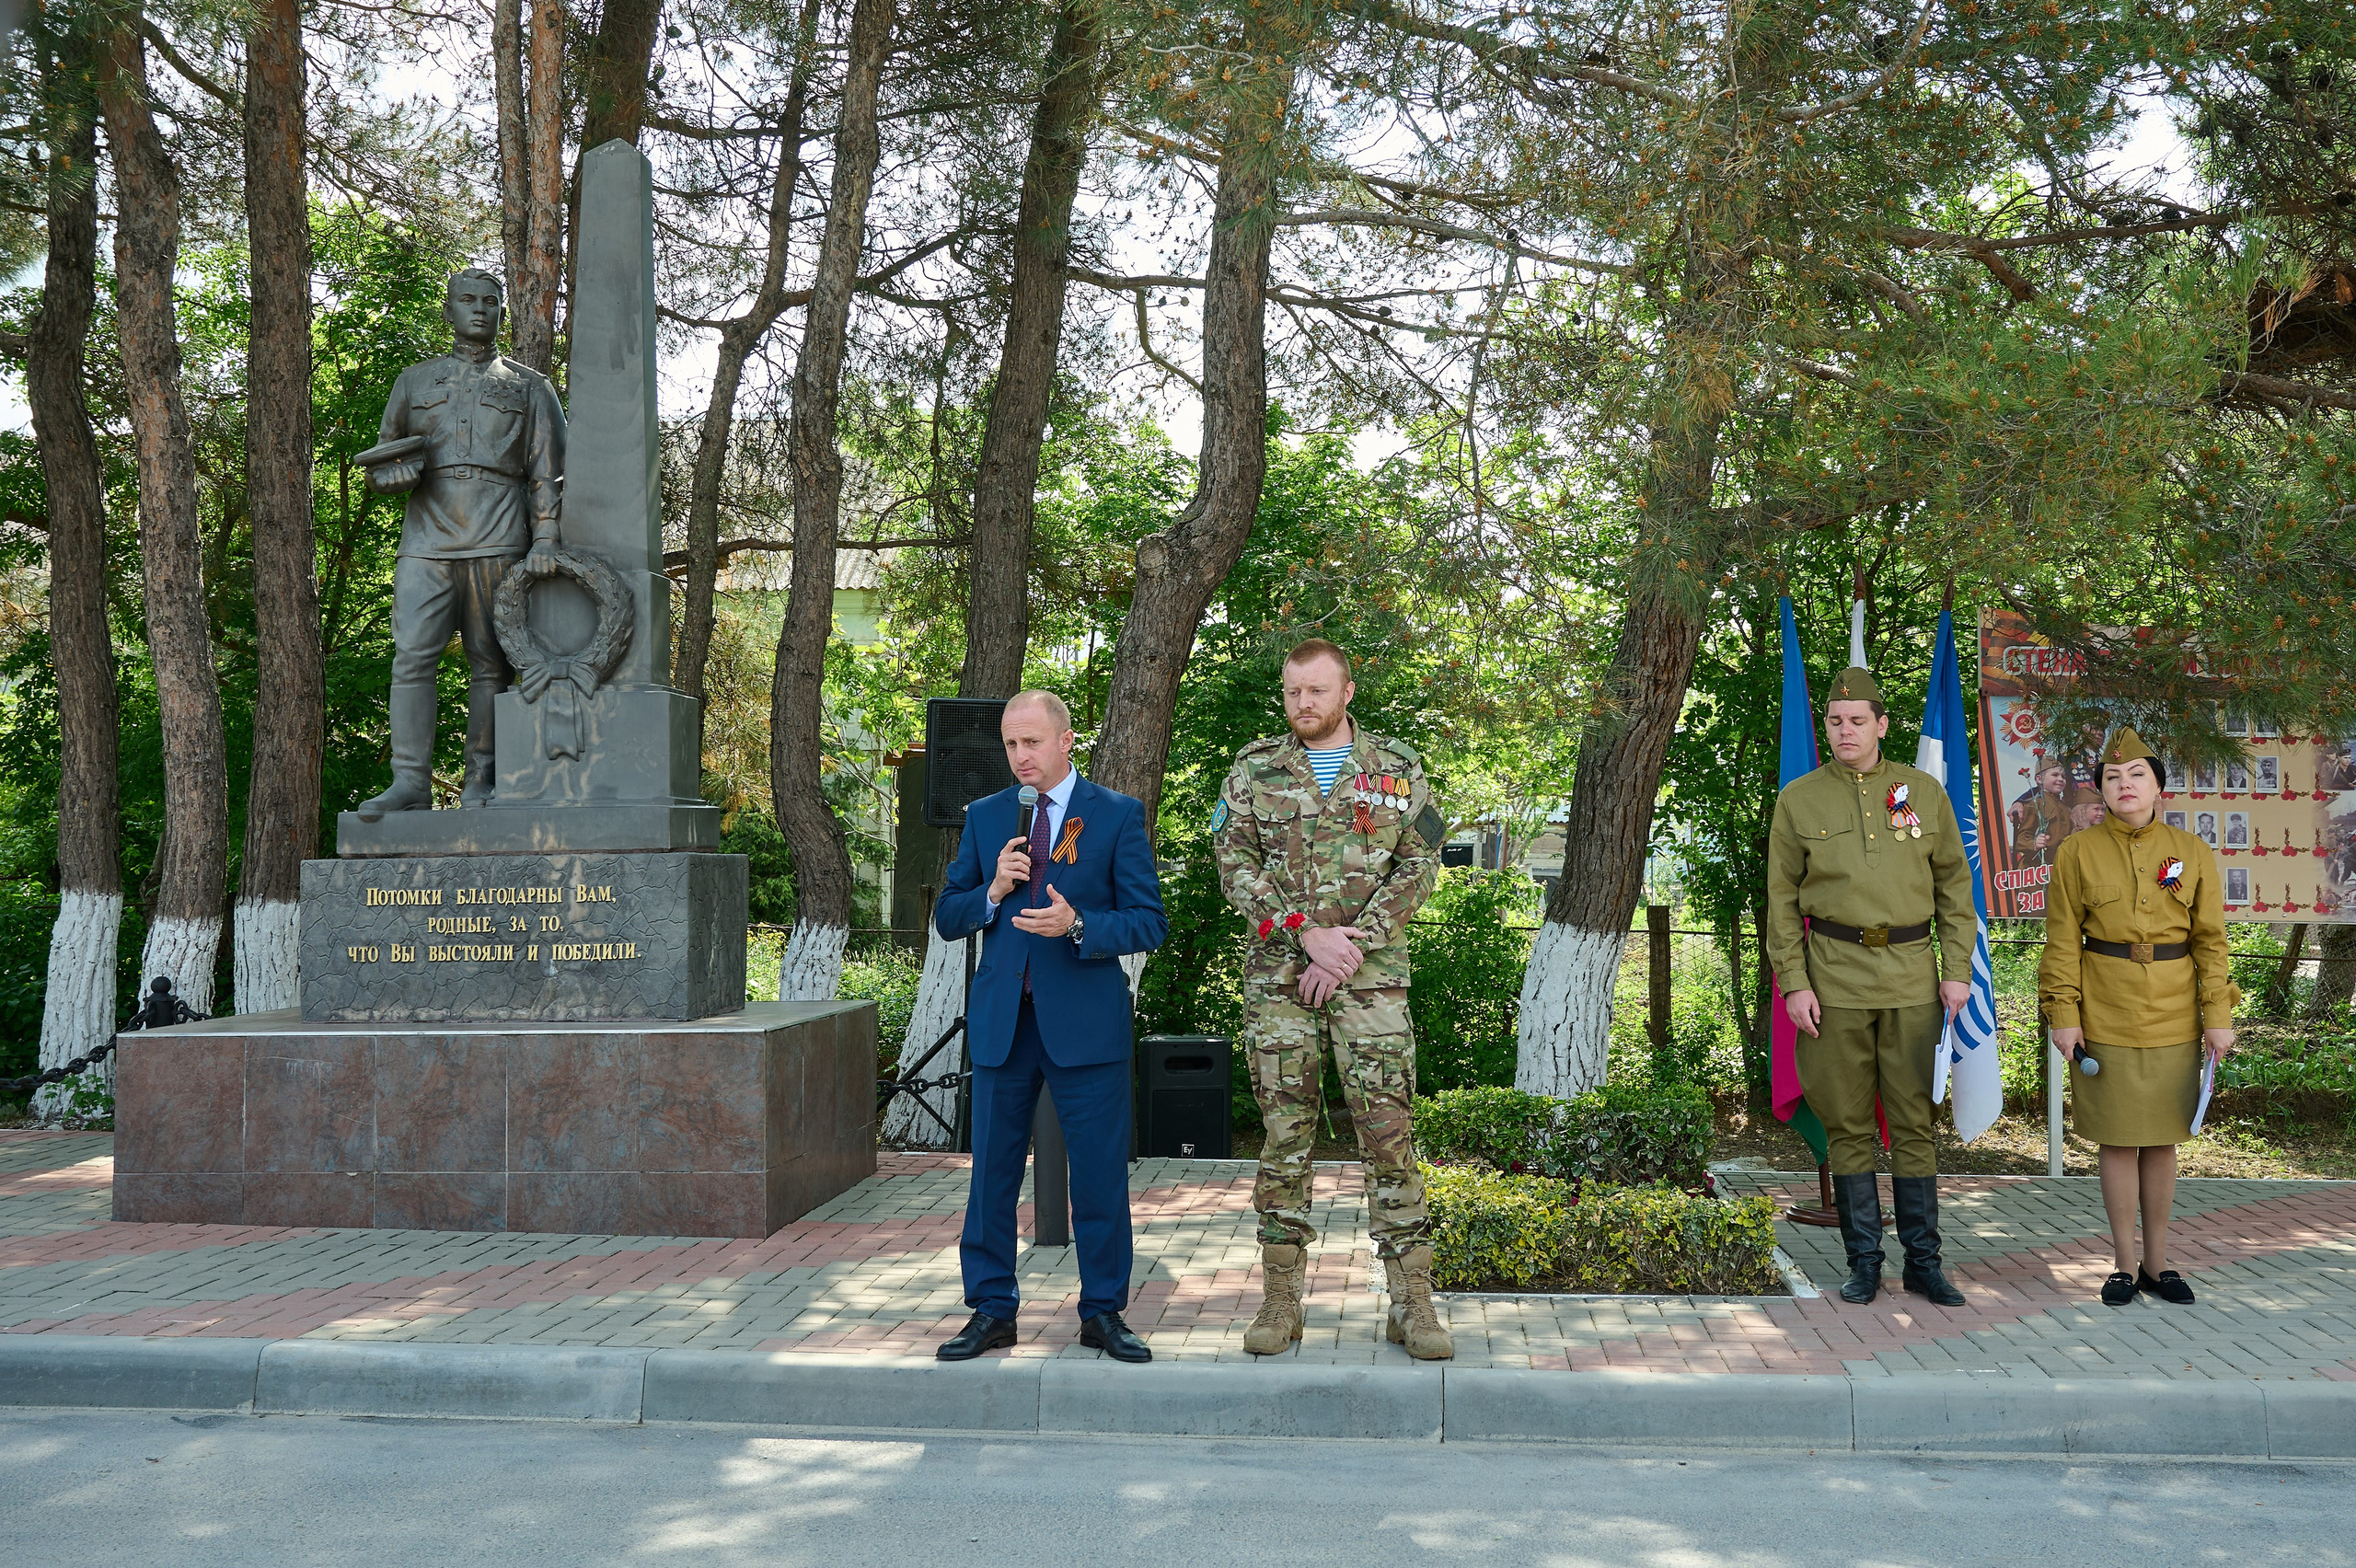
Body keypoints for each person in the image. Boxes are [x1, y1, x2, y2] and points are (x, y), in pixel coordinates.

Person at [1213, 640, 1452, 1359]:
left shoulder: (1397, 769)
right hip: (1281, 980)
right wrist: (1306, 935)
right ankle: (1281, 1299)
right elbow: (1234, 864)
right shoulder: (1254, 769)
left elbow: (1420, 864)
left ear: (1347, 692)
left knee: (1388, 1134)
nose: (1303, 704)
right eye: (1292, 692)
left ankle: (1413, 1302)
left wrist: (1350, 947)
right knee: (1285, 1136)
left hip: (1370, 982)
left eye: (1316, 691)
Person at [931, 691, 1168, 1363]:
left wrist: (1080, 924)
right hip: (1004, 1025)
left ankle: (1103, 1313)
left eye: (1032, 742)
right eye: (1011, 744)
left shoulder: (1115, 814)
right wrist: (991, 892)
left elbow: (1149, 921)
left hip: (1085, 1028)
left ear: (1066, 741)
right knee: (991, 1179)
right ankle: (991, 1311)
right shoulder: (987, 817)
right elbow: (948, 916)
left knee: (1098, 1178)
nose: (1020, 756)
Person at [1765, 666, 1977, 1307]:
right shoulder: (1799, 799)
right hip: (1832, 982)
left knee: (1914, 1124)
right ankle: (1863, 1263)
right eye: (1836, 721)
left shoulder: (1923, 793)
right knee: (1849, 1125)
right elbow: (1781, 901)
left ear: (1882, 726)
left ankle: (1924, 1264)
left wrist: (1957, 970)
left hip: (1912, 978)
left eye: (1858, 721)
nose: (1845, 731)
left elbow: (1954, 888)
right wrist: (1794, 983)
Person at [352, 269, 565, 813]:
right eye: (467, 300)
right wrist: (390, 479)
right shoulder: (413, 381)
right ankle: (409, 783)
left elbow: (548, 472)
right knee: (411, 657)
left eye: (490, 301)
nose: (479, 309)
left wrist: (545, 536)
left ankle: (482, 780)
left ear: (501, 312)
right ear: (448, 310)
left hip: (499, 537)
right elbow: (381, 462)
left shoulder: (530, 386)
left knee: (491, 662)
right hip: (426, 540)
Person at [2041, 727, 2237, 1307]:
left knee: (2161, 1140)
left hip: (2174, 1012)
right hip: (2104, 1010)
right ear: (2100, 790)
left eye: (2136, 775)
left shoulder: (2191, 851)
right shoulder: (2076, 852)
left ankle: (2159, 1264)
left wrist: (2218, 1014)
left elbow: (2211, 940)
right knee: (2119, 1139)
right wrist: (2063, 1014)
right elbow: (2062, 943)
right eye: (2112, 777)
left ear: (2157, 786)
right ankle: (2124, 1266)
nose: (2125, 785)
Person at [2010, 763, 2073, 869]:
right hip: (2038, 867)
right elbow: (2021, 840)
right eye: (2055, 775)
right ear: (2039, 779)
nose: (2061, 779)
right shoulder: (2034, 803)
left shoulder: (2067, 808)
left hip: (2063, 865)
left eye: (2063, 776)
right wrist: (2034, 843)